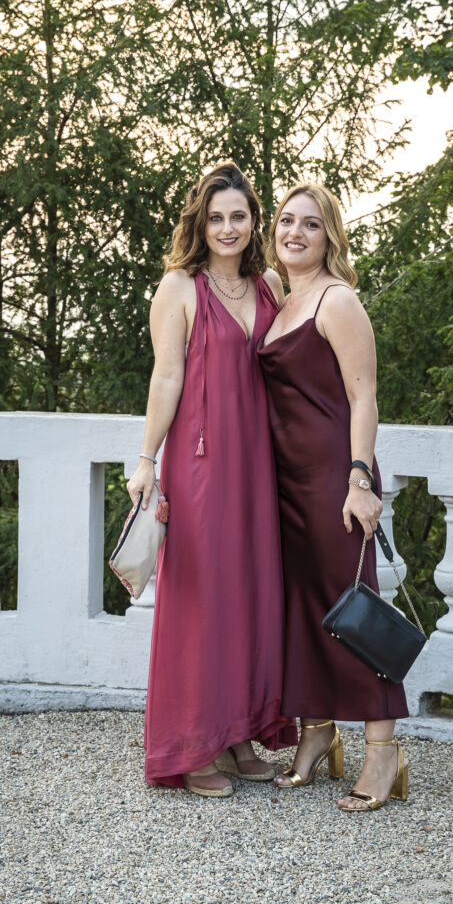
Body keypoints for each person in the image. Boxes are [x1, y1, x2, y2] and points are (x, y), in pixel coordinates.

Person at [126, 162, 297, 797]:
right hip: (200, 464)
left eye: (240, 216)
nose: (228, 228)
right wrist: (147, 460)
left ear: (254, 222)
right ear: (201, 222)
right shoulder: (178, 286)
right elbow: (166, 376)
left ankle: (236, 734)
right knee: (200, 600)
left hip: (260, 461)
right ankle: (191, 743)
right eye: (217, 217)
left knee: (250, 594)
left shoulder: (269, 284)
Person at [257, 183, 410, 812]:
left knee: (355, 612)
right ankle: (316, 733)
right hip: (284, 482)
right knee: (302, 610)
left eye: (311, 224)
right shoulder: (278, 297)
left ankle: (383, 751)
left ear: (330, 237)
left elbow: (363, 396)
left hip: (333, 478)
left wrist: (359, 479)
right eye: (286, 220)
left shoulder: (337, 300)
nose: (295, 232)